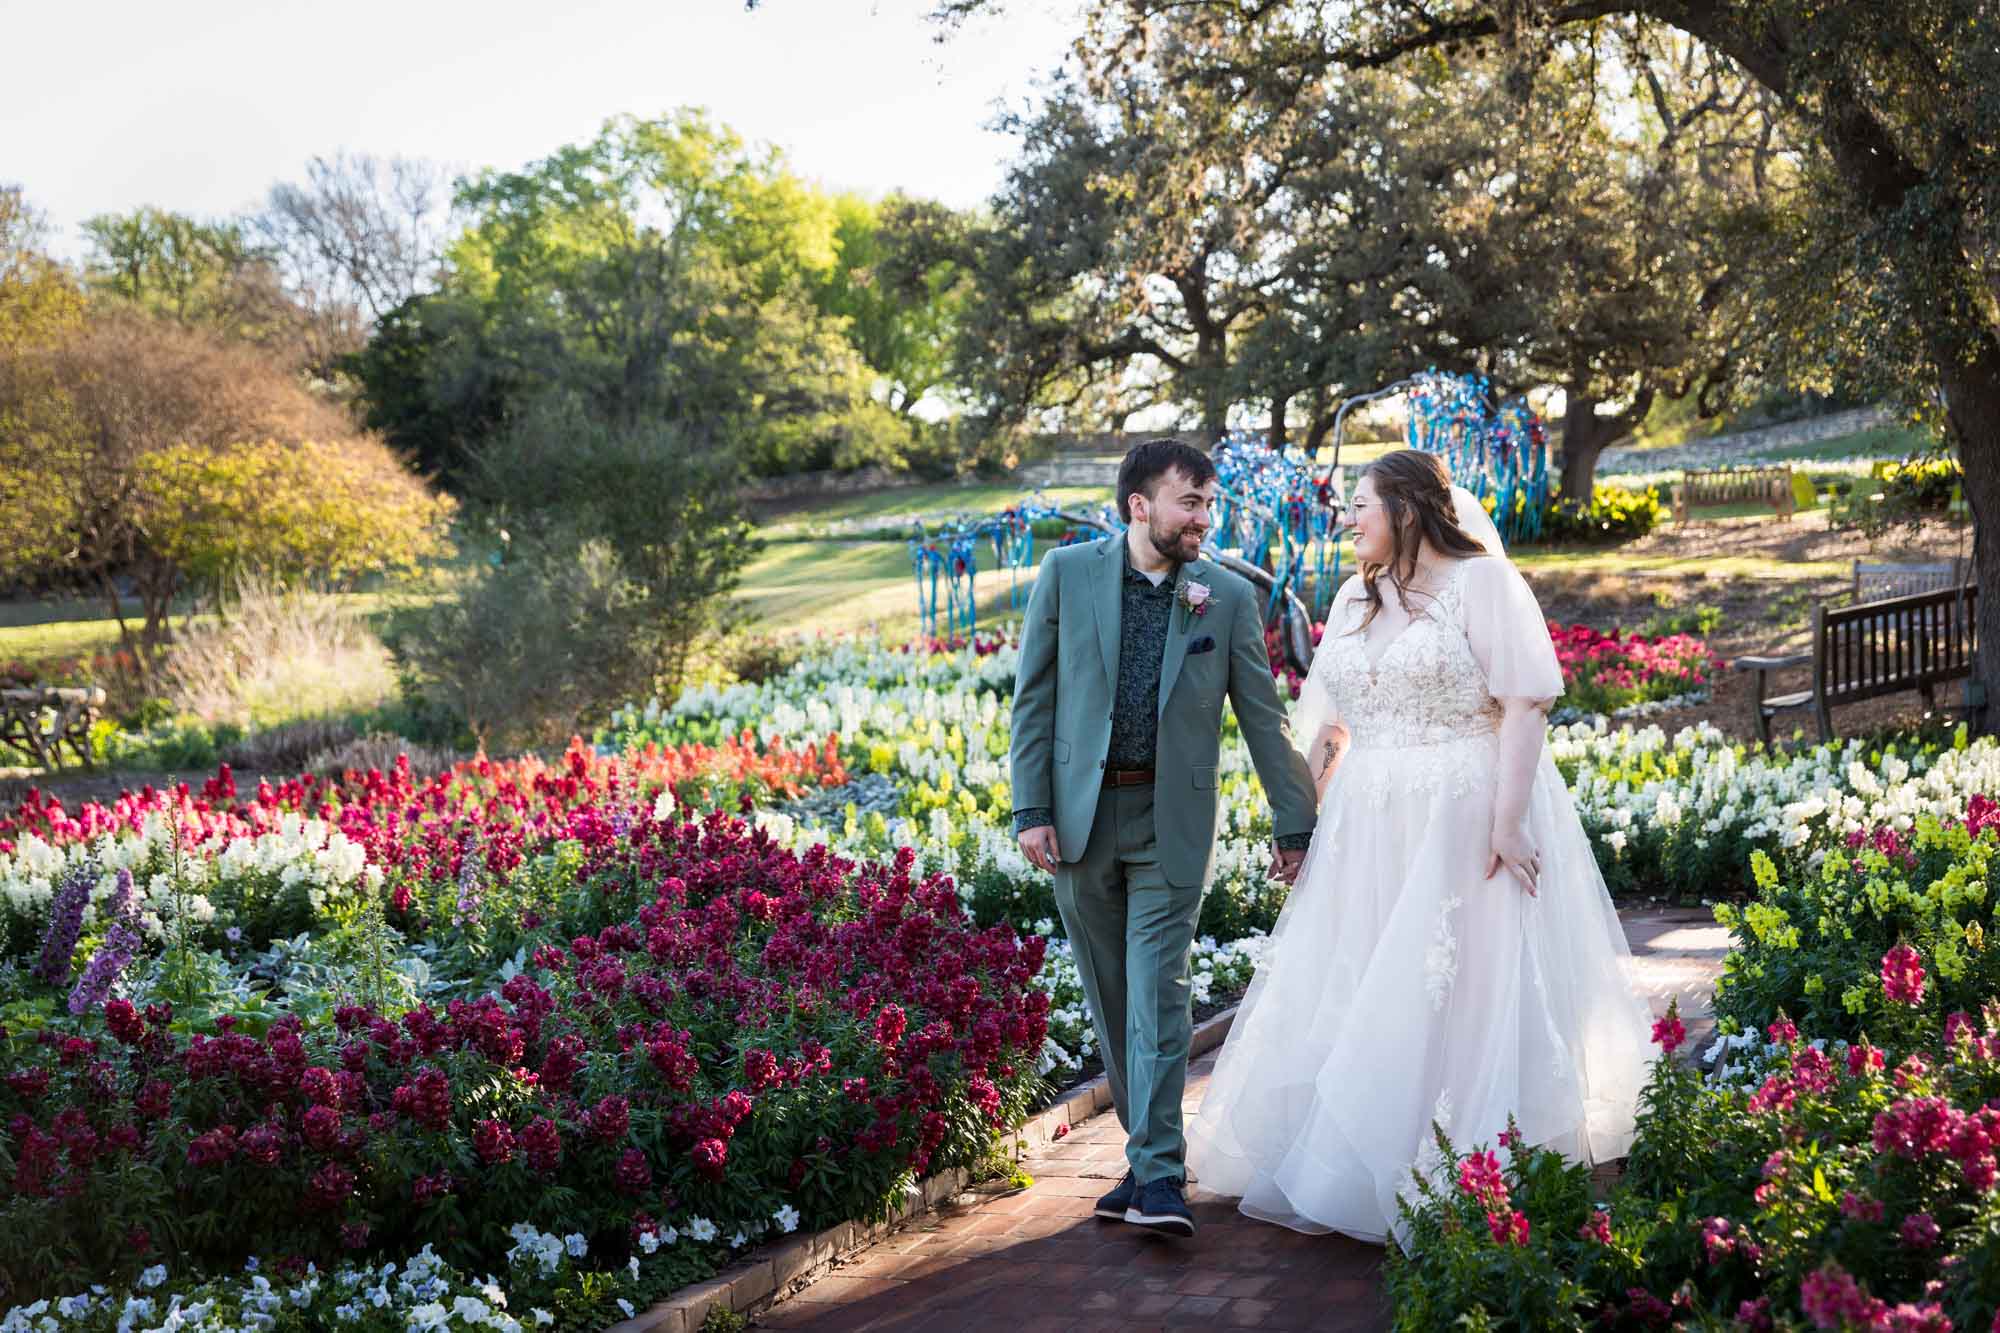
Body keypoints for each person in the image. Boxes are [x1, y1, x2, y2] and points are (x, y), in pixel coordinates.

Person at [1185, 448, 1653, 1246]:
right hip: (1364, 824)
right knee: (1362, 971)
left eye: (1359, 505)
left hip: (1460, 810)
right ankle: (1361, 1139)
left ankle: (1461, 1150)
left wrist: (1509, 822)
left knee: (1454, 977)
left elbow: (1525, 704)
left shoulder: (1483, 585)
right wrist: (1299, 823)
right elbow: (1328, 727)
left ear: (1404, 507)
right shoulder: (1353, 595)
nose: (1348, 520)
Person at [1010, 438, 1320, 1239]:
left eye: (1209, 504)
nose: (1203, 519)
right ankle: (1145, 1157)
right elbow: (1033, 703)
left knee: (1159, 993)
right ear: (1138, 505)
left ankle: (1160, 1176)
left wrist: (1295, 818)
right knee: (1114, 1002)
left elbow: (1262, 717)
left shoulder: (1225, 594)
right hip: (1081, 821)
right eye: (1190, 502)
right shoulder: (1067, 576)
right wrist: (1029, 808)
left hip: (1171, 821)